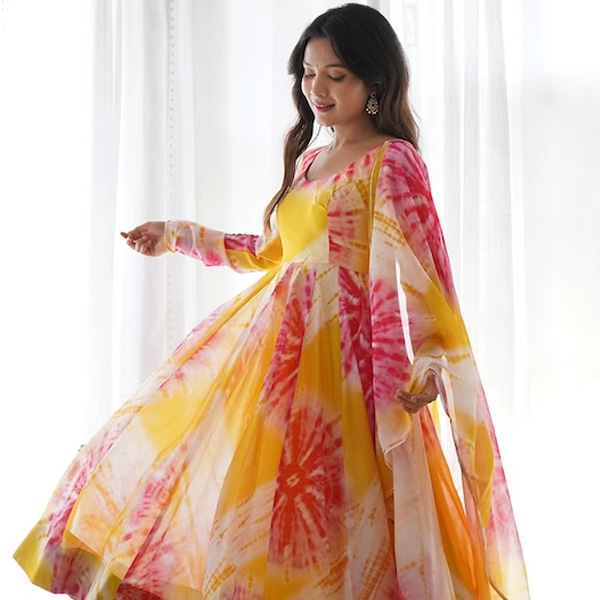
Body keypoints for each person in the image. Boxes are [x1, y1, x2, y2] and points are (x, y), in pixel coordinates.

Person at [14, 4, 529, 600]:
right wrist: (176, 234)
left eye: (336, 75)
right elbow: (269, 253)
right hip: (280, 354)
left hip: (348, 360)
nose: (317, 89)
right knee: (259, 495)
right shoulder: (309, 160)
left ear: (375, 81)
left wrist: (433, 360)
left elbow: (428, 271)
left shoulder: (393, 160)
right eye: (308, 73)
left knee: (341, 501)